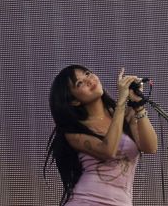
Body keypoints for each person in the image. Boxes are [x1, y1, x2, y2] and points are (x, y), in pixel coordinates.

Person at [44, 64, 157, 206]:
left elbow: (150, 147)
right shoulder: (74, 132)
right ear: (74, 100)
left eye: (87, 73)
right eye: (80, 83)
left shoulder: (125, 115)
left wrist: (138, 106)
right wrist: (121, 103)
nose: (89, 80)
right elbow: (108, 150)